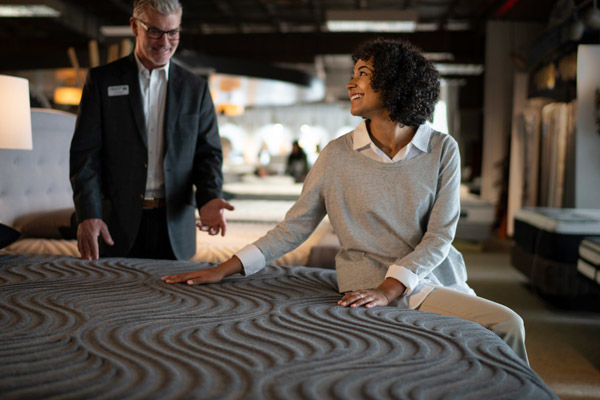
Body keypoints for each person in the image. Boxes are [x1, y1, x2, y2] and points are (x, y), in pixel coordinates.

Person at [162, 38, 529, 364]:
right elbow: (295, 227)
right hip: (371, 282)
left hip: (432, 278)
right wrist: (223, 268)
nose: (351, 83)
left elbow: (440, 236)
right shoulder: (337, 154)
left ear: (394, 82)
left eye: (364, 74)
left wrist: (392, 288)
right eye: (353, 74)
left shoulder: (441, 148)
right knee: (508, 323)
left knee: (490, 338)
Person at [70, 0, 233, 261]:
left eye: (173, 32)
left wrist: (210, 198)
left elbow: (208, 155)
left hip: (174, 226)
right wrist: (88, 213)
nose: (165, 42)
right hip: (115, 223)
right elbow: (85, 155)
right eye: (155, 31)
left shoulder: (195, 88)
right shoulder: (103, 81)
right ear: (135, 26)